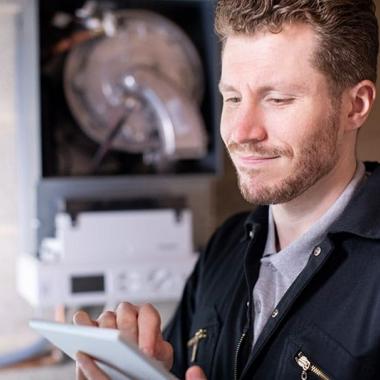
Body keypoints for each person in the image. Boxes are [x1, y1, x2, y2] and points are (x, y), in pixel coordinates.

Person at [74, 0, 380, 378]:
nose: (241, 132)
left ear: (356, 105)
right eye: (232, 98)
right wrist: (145, 370)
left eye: (278, 99)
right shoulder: (225, 246)